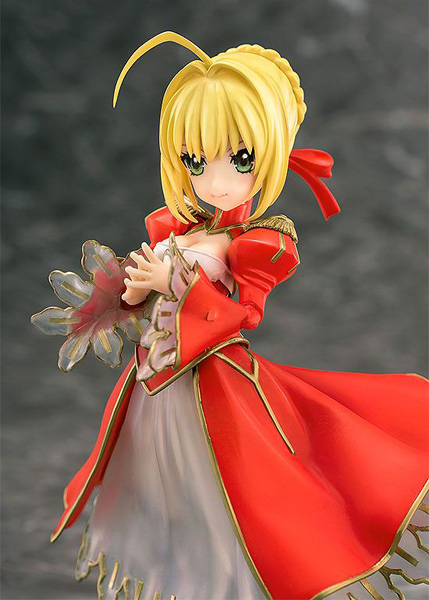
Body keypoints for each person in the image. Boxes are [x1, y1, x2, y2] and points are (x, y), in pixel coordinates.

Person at [31, 32, 428, 600]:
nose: (214, 180)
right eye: (195, 160)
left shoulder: (258, 242)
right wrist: (128, 294)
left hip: (211, 383)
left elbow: (245, 314)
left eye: (239, 158)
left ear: (268, 154)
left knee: (233, 494)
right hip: (156, 384)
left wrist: (174, 283)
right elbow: (146, 295)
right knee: (159, 487)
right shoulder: (180, 228)